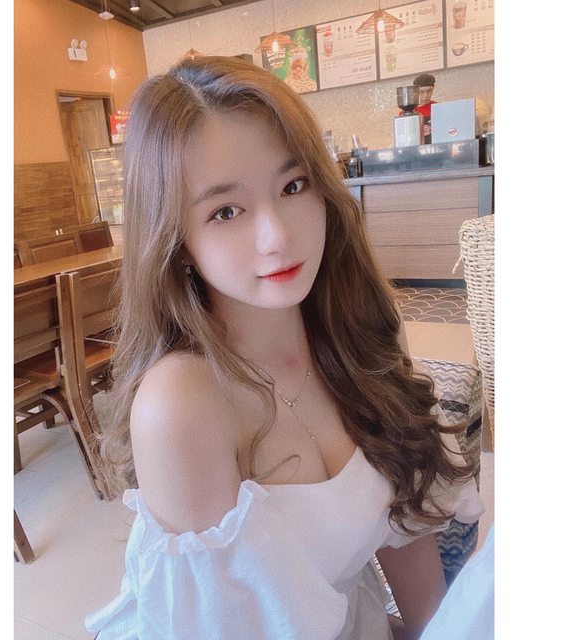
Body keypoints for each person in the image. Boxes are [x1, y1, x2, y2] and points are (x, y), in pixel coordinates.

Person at [85, 56, 484, 640]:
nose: (278, 236)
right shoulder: (182, 403)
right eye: (226, 211)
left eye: (293, 186)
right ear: (175, 240)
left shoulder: (362, 330)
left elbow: (405, 526)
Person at [399, 73, 437, 143]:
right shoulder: (406, 112)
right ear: (415, 91)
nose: (426, 95)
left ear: (433, 89)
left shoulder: (438, 108)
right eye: (421, 92)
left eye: (429, 91)